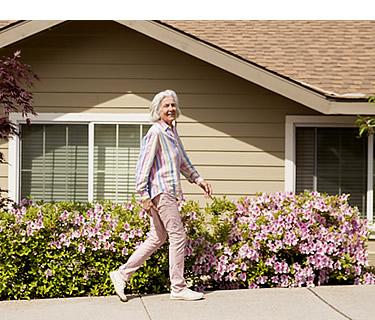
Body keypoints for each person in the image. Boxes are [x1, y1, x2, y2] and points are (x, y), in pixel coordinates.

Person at [110, 89, 213, 302]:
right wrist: (142, 195)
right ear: (157, 110)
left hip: (167, 192)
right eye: (166, 106)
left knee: (158, 236)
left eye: (173, 105)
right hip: (161, 192)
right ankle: (178, 287)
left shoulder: (172, 132)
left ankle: (122, 274)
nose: (171, 109)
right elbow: (143, 165)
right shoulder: (156, 132)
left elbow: (183, 161)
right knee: (177, 235)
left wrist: (199, 180)